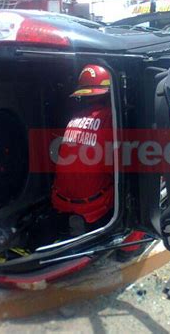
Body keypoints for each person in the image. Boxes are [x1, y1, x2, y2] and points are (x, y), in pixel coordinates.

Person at [52, 64, 114, 236]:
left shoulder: (73, 119)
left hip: (59, 199)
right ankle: (127, 249)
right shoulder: (109, 118)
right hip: (92, 204)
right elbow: (116, 167)